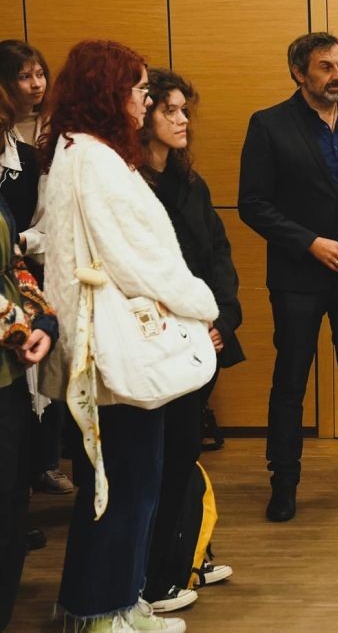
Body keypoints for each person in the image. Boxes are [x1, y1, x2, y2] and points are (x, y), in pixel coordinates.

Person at [38, 39, 217, 633]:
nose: (145, 100)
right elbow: (139, 259)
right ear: (110, 92)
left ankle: (112, 601)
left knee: (120, 484)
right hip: (116, 351)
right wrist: (200, 304)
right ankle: (103, 611)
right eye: (139, 89)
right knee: (127, 488)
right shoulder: (96, 161)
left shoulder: (77, 150)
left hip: (101, 347)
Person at [239, 32, 338, 522]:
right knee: (291, 382)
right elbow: (253, 204)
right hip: (297, 278)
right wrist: (310, 242)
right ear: (298, 72)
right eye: (326, 67)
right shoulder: (268, 124)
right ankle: (284, 482)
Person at [139, 67, 241, 612]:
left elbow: (217, 254)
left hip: (204, 338)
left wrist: (222, 318)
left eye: (185, 111)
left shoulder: (190, 182)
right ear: (142, 116)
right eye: (170, 111)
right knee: (162, 461)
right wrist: (196, 322)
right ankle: (155, 579)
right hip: (160, 340)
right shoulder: (130, 184)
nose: (183, 121)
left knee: (184, 455)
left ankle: (185, 560)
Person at [0, 39, 75, 498]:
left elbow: (47, 223)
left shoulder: (31, 155)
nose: (36, 84)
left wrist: (21, 247)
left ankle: (38, 468)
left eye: (40, 74)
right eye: (24, 76)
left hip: (26, 276)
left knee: (36, 377)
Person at [0, 83, 58, 633]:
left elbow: (12, 265)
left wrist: (41, 319)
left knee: (11, 498)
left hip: (8, 371)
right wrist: (19, 326)